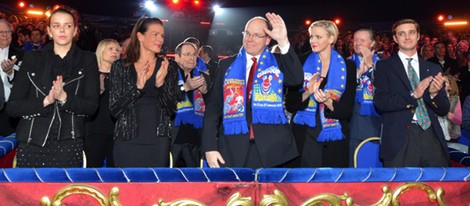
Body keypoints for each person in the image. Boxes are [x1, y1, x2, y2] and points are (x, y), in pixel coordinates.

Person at [201, 13, 303, 168]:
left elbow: (296, 79)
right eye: (247, 33)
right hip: (233, 149)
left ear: (268, 39)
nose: (249, 39)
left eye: (256, 35)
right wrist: (209, 147)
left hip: (274, 151)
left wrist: (283, 41)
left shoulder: (279, 62)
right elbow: (213, 108)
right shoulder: (226, 65)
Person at [6, 7, 100, 167]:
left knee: (65, 192)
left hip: (68, 144)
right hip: (31, 143)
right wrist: (46, 100)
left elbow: (91, 106)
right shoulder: (32, 59)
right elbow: (13, 107)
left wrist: (65, 98)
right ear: (49, 31)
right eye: (56, 26)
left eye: (68, 26)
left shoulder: (88, 60)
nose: (62, 30)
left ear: (75, 30)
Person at [374, 19, 450, 167]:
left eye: (411, 33)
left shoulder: (433, 68)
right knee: (402, 188)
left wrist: (433, 94)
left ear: (418, 36)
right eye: (401, 34)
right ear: (395, 39)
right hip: (400, 139)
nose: (407, 37)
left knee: (437, 187)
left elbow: (443, 109)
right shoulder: (384, 67)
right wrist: (413, 95)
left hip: (430, 136)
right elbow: (381, 103)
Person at [109, 17, 181, 167]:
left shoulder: (169, 67)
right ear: (140, 36)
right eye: (155, 34)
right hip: (127, 140)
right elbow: (115, 110)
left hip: (158, 141)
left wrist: (160, 85)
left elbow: (171, 109)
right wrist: (136, 89)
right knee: (127, 189)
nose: (160, 39)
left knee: (155, 189)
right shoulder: (120, 67)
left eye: (162, 35)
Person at [286, 20, 356, 167]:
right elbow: (290, 103)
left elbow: (347, 111)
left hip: (334, 136)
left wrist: (328, 101)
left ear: (331, 39)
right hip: (304, 133)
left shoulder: (348, 67)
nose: (312, 41)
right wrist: (308, 92)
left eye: (318, 37)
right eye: (311, 37)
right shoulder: (301, 62)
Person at [171, 41, 209, 167]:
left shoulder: (202, 76)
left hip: (195, 137)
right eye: (187, 54)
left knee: (194, 178)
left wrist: (205, 92)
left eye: (194, 54)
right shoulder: (168, 75)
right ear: (177, 57)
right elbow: (165, 99)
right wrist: (185, 88)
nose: (192, 58)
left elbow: (213, 104)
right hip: (174, 136)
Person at [84, 39, 120, 167]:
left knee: (114, 171)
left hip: (116, 130)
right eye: (111, 49)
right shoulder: (90, 74)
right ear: (101, 51)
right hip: (94, 128)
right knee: (92, 168)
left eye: (117, 50)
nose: (115, 52)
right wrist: (97, 91)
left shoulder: (122, 76)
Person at [348, 28, 381, 166]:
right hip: (353, 119)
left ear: (372, 43)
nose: (357, 43)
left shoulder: (383, 64)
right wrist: (358, 74)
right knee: (354, 160)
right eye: (355, 40)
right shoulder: (345, 64)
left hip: (377, 119)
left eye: (362, 40)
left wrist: (371, 67)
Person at [0, 19, 24, 136]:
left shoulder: (22, 55)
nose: (5, 35)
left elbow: (26, 83)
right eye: (1, 32)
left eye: (8, 32)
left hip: (11, 110)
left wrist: (11, 73)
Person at [437, 74, 461, 141]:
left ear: (450, 87)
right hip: (436, 133)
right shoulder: (434, 97)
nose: (442, 84)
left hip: (450, 133)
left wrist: (451, 115)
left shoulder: (454, 99)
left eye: (445, 82)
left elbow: (459, 120)